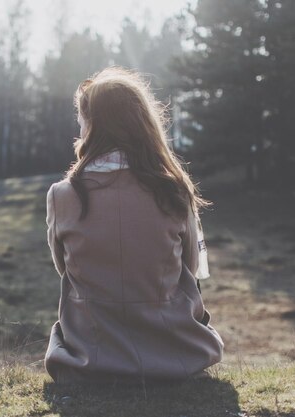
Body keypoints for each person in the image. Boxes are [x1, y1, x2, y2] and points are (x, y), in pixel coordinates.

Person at [43, 66, 224, 385]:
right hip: (172, 354)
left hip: (91, 355)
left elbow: (65, 270)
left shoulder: (63, 195)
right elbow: (191, 270)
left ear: (92, 125)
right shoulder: (173, 190)